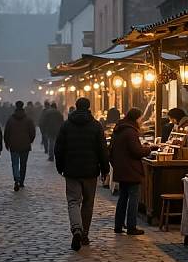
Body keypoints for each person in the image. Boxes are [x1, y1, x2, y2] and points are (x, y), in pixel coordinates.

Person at [54, 97, 109, 251]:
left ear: (75, 107)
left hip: (71, 170)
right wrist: (105, 169)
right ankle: (84, 234)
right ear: (89, 107)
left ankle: (77, 229)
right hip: (90, 171)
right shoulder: (96, 125)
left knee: (73, 201)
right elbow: (102, 150)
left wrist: (60, 167)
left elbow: (58, 148)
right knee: (88, 202)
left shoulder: (66, 125)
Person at [110, 108, 154, 236]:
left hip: (122, 168)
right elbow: (136, 151)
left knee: (123, 197)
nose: (141, 121)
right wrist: (148, 149)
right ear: (136, 118)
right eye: (140, 118)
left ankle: (118, 225)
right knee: (133, 198)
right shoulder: (131, 131)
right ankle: (131, 226)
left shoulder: (120, 129)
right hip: (131, 169)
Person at [4, 101, 36, 191]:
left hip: (13, 144)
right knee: (23, 164)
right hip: (25, 145)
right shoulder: (28, 120)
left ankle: (16, 179)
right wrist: (30, 141)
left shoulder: (10, 119)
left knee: (15, 163)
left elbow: (6, 132)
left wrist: (7, 142)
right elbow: (32, 132)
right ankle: (21, 181)